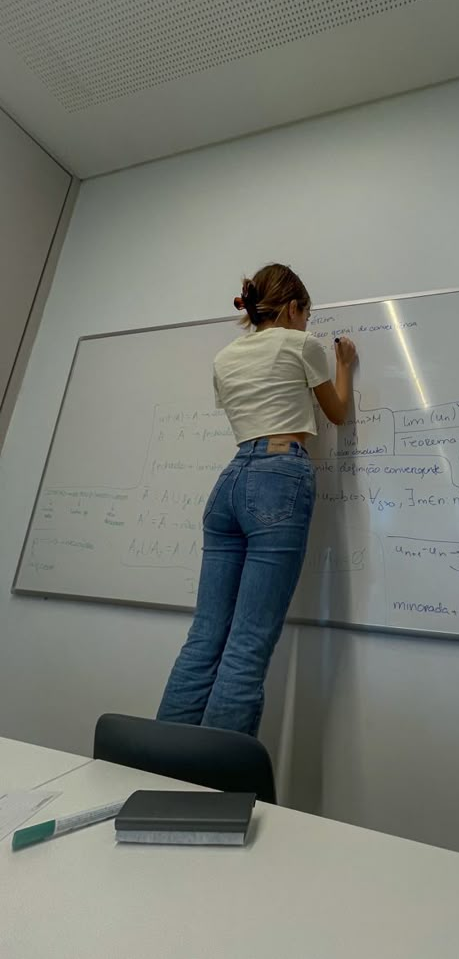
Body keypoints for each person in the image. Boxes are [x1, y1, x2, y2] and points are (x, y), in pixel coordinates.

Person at [157, 263, 356, 735]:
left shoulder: (224, 358)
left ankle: (157, 773)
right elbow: (337, 413)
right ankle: (215, 784)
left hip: (230, 481)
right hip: (279, 476)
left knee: (204, 638)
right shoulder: (301, 344)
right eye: (306, 315)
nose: (308, 326)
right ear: (292, 308)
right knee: (247, 644)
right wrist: (343, 366)